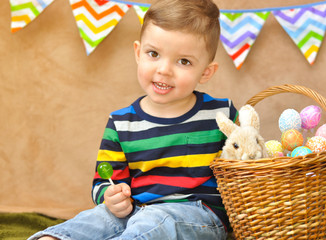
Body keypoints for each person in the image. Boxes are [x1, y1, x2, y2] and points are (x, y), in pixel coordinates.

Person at [29, 0, 237, 239]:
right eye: (154, 54)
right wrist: (111, 196)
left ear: (206, 72)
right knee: (97, 218)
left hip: (199, 216)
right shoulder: (121, 122)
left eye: (184, 61)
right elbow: (104, 180)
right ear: (138, 53)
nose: (164, 70)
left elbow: (249, 163)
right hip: (136, 210)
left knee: (155, 220)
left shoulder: (222, 115)